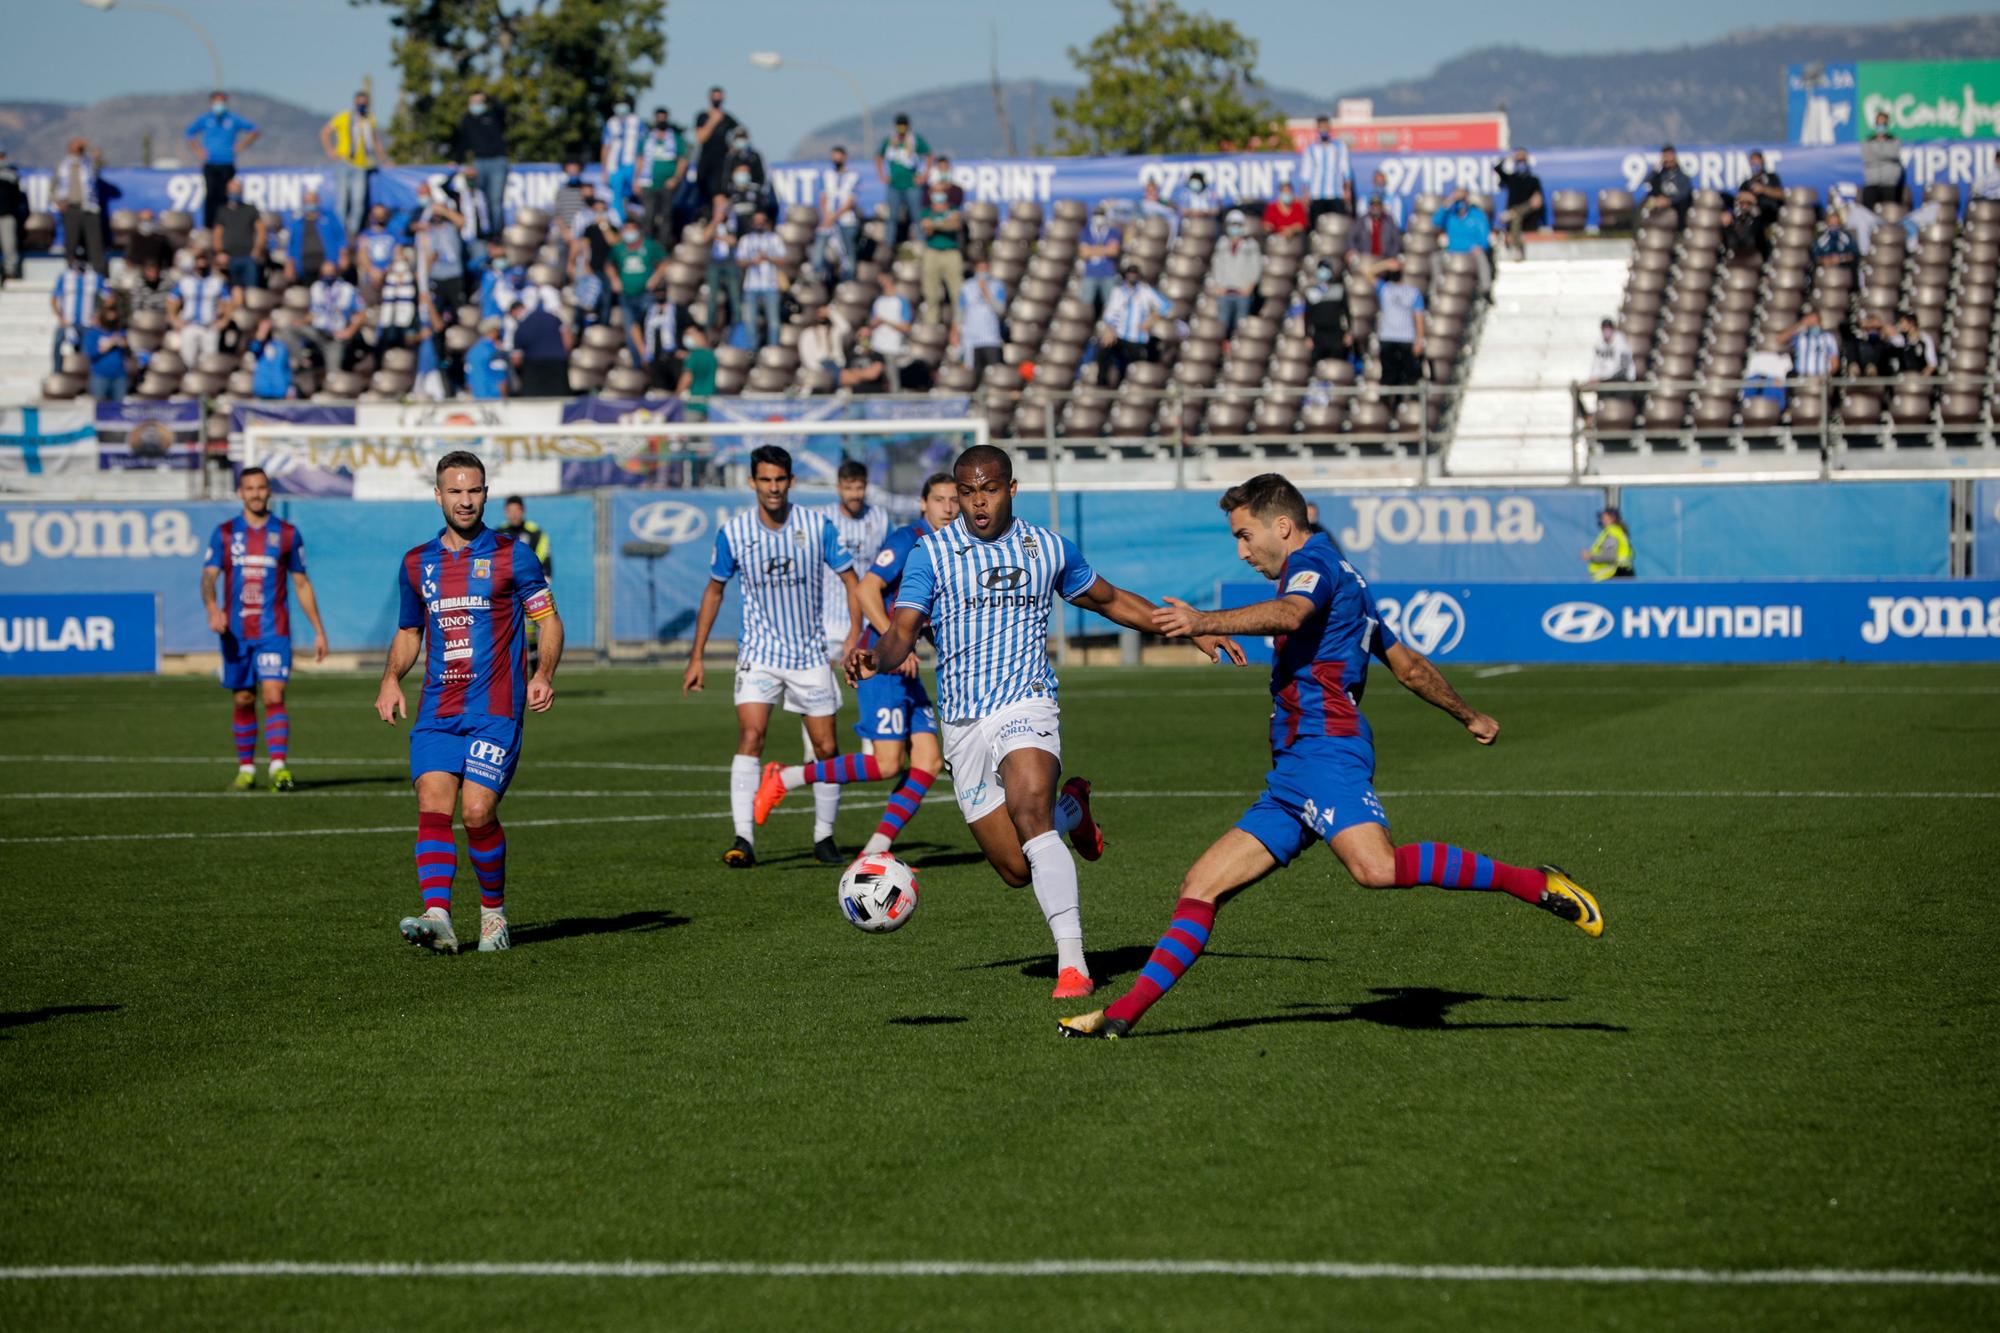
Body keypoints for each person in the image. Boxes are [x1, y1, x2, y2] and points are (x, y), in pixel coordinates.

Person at [1057, 473, 1602, 1039]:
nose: (1242, 551)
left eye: (1245, 536)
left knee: (1376, 868)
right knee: (1201, 885)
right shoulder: (1347, 579)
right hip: (1294, 770)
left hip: (1326, 748)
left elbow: (1291, 613)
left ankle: (1535, 884)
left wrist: (1202, 620)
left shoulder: (1313, 565)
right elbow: (1409, 667)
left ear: (1283, 526)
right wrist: (1469, 715)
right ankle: (1121, 1015)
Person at [853, 445, 1246, 1000]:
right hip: (963, 721)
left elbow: (1109, 600)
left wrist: (1190, 626)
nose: (978, 502)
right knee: (1016, 869)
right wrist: (876, 658)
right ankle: (1073, 810)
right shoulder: (931, 553)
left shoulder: (1047, 548)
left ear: (1012, 489)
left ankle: (1073, 964)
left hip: (1027, 702)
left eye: (989, 489)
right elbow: (901, 631)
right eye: (967, 492)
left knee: (1030, 811)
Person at [378, 451, 562, 955]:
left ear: (486, 493)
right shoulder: (416, 562)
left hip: (495, 711)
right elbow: (409, 631)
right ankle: (438, 916)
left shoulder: (513, 555)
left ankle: (492, 914)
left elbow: (548, 620)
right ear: (438, 495)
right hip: (438, 711)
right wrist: (390, 679)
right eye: (455, 491)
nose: (465, 500)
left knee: (477, 812)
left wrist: (543, 674)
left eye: (474, 490)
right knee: (432, 804)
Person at [756, 471, 960, 855]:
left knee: (929, 761)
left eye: (954, 500)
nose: (948, 508)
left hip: (905, 666)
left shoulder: (953, 546)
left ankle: (873, 853)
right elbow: (866, 589)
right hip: (880, 662)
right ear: (923, 503)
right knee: (886, 764)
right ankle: (787, 776)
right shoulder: (909, 540)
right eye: (939, 499)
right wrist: (897, 644)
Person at [683, 445, 865, 869]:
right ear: (752, 482)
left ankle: (824, 836)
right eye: (765, 480)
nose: (773, 488)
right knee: (751, 736)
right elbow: (714, 591)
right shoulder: (734, 532)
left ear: (791, 481)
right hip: (759, 653)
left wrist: (854, 636)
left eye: (780, 479)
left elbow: (852, 581)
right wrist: (697, 656)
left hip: (809, 654)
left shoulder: (816, 527)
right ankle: (743, 838)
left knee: (826, 747)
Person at [202, 467, 329, 793]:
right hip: (236, 633)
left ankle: (278, 768)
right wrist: (213, 609)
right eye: (250, 488)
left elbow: (301, 583)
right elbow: (209, 577)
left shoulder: (286, 533)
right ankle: (246, 769)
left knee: (274, 694)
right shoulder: (225, 533)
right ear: (240, 493)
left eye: (261, 487)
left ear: (269, 491)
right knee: (244, 698)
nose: (256, 493)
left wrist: (318, 630)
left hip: (274, 632)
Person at [814, 458, 890, 671]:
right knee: (820, 682)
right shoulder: (822, 519)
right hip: (828, 619)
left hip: (868, 618)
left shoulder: (879, 518)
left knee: (868, 678)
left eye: (859, 488)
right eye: (849, 488)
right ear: (839, 488)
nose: (854, 494)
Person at [185, 91, 259, 231]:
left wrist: (242, 145)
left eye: (222, 102)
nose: (219, 105)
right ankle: (209, 227)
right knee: (211, 195)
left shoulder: (232, 119)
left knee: (225, 196)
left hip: (227, 163)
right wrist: (198, 150)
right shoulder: (206, 119)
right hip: (211, 163)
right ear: (211, 103)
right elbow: (189, 134)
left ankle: (225, 226)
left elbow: (255, 130)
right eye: (216, 102)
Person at [320, 89, 389, 237]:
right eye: (359, 103)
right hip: (344, 162)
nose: (361, 106)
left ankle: (351, 234)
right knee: (342, 202)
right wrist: (330, 151)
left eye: (364, 103)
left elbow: (376, 142)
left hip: (361, 165)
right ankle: (339, 234)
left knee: (358, 203)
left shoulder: (369, 120)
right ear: (354, 103)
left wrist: (384, 160)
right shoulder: (344, 117)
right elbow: (325, 132)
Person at [1096, 262, 1168, 389]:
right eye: (1130, 274)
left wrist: (1151, 319)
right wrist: (1109, 329)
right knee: (1103, 348)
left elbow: (1166, 305)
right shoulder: (1118, 292)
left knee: (1128, 360)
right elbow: (1110, 314)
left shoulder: (1145, 291)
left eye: (1135, 274)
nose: (1132, 277)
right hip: (1119, 336)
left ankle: (1121, 385)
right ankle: (1102, 384)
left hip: (1137, 339)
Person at [454, 89, 508, 236]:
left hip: (498, 161)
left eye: (479, 101)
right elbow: (462, 142)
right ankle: (484, 232)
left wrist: (488, 97)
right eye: (473, 101)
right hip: (479, 162)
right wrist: (457, 160)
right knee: (480, 199)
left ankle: (496, 234)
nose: (476, 105)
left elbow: (502, 109)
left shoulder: (493, 115)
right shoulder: (467, 119)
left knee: (495, 200)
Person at [877, 113, 932, 252]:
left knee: (917, 215)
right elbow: (878, 156)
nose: (901, 128)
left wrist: (924, 175)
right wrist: (882, 175)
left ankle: (921, 245)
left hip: (912, 186)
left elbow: (930, 155)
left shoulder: (915, 140)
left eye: (903, 126)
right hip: (894, 186)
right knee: (892, 217)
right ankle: (889, 246)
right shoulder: (890, 141)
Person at [54, 139, 107, 277]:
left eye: (79, 150)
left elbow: (99, 156)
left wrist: (87, 145)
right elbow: (54, 186)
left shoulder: (89, 165)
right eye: (73, 149)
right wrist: (58, 201)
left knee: (95, 243)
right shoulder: (63, 166)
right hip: (71, 209)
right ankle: (71, 272)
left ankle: (99, 274)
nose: (76, 152)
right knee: (71, 243)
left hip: (90, 208)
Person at [1206, 211, 1264, 338]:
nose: (1235, 228)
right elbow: (1216, 265)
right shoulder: (1221, 243)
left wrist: (1250, 285)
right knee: (1222, 327)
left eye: (1238, 225)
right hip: (1224, 291)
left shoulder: (1251, 245)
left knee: (1241, 328)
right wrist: (1218, 285)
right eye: (1232, 224)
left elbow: (1256, 267)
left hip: (1242, 292)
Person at [638, 110, 690, 250]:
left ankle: (663, 247)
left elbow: (683, 160)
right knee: (648, 215)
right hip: (648, 183)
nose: (661, 120)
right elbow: (640, 159)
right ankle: (647, 246)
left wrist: (676, 178)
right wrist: (636, 179)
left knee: (666, 216)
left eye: (663, 118)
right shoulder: (647, 138)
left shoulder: (676, 138)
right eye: (659, 118)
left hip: (668, 184)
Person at [609, 218, 667, 342]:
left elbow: (665, 262)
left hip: (646, 295)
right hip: (626, 296)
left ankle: (649, 353)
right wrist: (614, 279)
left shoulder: (649, 245)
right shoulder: (618, 248)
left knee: (648, 329)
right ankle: (636, 354)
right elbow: (609, 265)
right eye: (626, 229)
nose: (629, 232)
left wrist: (655, 278)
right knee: (630, 332)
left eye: (632, 229)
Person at [169, 251, 232, 366]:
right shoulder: (184, 282)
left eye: (204, 265)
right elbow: (172, 300)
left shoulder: (217, 282)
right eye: (199, 265)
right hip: (189, 325)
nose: (201, 268)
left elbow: (228, 301)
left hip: (209, 326)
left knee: (210, 361)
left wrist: (225, 320)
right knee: (188, 361)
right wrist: (174, 319)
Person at [303, 256, 364, 373]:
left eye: (331, 273)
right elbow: (313, 313)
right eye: (325, 273)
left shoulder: (347, 289)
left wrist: (349, 331)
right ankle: (302, 361)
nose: (328, 277)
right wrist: (300, 322)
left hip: (336, 336)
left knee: (333, 374)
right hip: (318, 332)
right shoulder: (316, 287)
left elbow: (362, 313)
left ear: (337, 272)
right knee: (288, 330)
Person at [735, 211, 785, 348]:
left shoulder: (775, 239)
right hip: (751, 286)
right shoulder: (745, 240)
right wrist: (752, 261)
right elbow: (739, 262)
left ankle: (773, 348)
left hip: (771, 285)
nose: (759, 224)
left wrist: (767, 257)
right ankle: (752, 349)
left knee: (773, 321)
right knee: (750, 321)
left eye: (762, 221)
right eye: (756, 221)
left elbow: (782, 260)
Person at [917, 182, 964, 326]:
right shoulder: (926, 211)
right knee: (931, 293)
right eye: (936, 191)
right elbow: (927, 228)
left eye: (941, 191)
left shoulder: (953, 209)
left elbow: (955, 225)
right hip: (932, 252)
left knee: (957, 292)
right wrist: (944, 223)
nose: (939, 195)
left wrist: (936, 224)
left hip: (951, 252)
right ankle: (931, 325)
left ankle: (960, 325)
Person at [49, 255, 105, 373]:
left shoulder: (95, 277)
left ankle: (85, 374)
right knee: (58, 343)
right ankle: (57, 371)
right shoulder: (65, 277)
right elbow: (54, 298)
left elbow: (109, 298)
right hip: (68, 321)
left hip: (87, 322)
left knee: (86, 349)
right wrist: (60, 316)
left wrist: (98, 316)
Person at [953, 254, 1007, 376]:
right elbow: (960, 312)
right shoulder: (966, 287)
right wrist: (955, 332)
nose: (982, 272)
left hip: (991, 338)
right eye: (980, 269)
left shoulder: (997, 285)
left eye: (984, 269)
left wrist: (987, 293)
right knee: (973, 375)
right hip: (971, 340)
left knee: (994, 374)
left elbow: (1001, 310)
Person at [1374, 260, 1425, 388]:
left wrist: (1419, 340)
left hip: (1407, 338)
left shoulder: (1413, 292)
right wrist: (1386, 264)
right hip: (1387, 337)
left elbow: (1419, 317)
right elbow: (1367, 273)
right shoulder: (1385, 288)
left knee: (1408, 377)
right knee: (1388, 377)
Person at [695, 195, 739, 340]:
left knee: (734, 298)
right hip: (714, 263)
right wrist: (715, 221)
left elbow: (734, 240)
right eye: (716, 204)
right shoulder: (711, 218)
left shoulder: (734, 220)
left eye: (722, 203)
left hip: (731, 263)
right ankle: (710, 331)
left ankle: (736, 332)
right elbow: (704, 237)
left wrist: (719, 237)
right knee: (712, 298)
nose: (719, 206)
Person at [1431, 188, 1493, 293]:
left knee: (1482, 258)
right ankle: (1436, 288)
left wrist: (1481, 246)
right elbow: (1436, 221)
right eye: (1457, 200)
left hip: (1471, 252)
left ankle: (1485, 290)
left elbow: (1484, 236)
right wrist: (1449, 202)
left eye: (1462, 200)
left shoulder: (1477, 215)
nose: (1460, 204)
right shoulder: (1450, 215)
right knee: (1435, 258)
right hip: (1452, 251)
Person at [815, 145, 861, 281]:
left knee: (848, 255)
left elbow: (851, 201)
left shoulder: (853, 176)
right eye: (833, 157)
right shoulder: (827, 175)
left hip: (846, 221)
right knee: (818, 252)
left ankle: (848, 280)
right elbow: (823, 197)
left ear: (844, 157)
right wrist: (826, 216)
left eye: (838, 156)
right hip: (827, 221)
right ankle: (821, 278)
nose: (835, 159)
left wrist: (834, 216)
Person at [211, 176, 266, 292]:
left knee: (251, 291)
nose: (235, 194)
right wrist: (220, 252)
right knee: (232, 291)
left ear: (242, 192)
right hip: (229, 258)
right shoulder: (222, 211)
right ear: (227, 193)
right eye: (232, 191)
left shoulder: (250, 209)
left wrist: (257, 250)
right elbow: (217, 234)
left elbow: (261, 231)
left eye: (237, 191)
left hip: (248, 257)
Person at [1295, 116, 1354, 223]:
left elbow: (1345, 170)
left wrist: (1347, 190)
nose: (1323, 130)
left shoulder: (1339, 147)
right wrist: (1305, 195)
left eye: (1325, 127)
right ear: (1317, 129)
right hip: (1316, 194)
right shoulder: (1311, 149)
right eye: (1321, 127)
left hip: (1336, 194)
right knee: (1317, 225)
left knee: (1337, 224)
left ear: (1329, 128)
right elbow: (1306, 173)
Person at [510, 298, 571, 397]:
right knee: (559, 399)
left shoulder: (521, 328)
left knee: (537, 401)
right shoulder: (552, 318)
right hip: (558, 363)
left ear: (514, 311)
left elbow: (516, 360)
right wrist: (565, 354)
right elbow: (567, 338)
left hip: (534, 368)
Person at [283, 189, 346, 284]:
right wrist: (289, 265)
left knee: (328, 274)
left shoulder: (329, 218)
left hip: (327, 264)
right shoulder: (297, 224)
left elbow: (341, 239)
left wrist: (342, 257)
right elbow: (291, 248)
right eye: (307, 202)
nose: (309, 205)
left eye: (312, 201)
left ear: (318, 202)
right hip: (304, 266)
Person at [1297, 258, 1350, 366]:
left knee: (1335, 363)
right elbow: (1307, 316)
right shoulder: (1311, 292)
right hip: (1319, 334)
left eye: (1326, 269)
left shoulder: (1339, 290)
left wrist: (1348, 332)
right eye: (1321, 269)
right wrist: (1307, 336)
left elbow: (1346, 312)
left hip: (1336, 334)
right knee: (1318, 365)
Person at [1493, 149, 1544, 262]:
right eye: (1518, 161)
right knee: (1515, 216)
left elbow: (1538, 202)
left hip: (1529, 218)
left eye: (1523, 161)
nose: (1521, 164)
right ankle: (1518, 249)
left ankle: (1517, 248)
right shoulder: (1512, 179)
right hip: (1513, 222)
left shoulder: (1533, 180)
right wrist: (1508, 158)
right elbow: (1496, 168)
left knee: (1516, 213)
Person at [693, 86, 739, 204]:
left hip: (722, 162)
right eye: (715, 97)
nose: (717, 100)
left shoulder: (728, 119)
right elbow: (700, 138)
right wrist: (713, 121)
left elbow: (742, 134)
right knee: (703, 189)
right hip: (706, 160)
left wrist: (734, 148)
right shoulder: (702, 116)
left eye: (720, 97)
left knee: (719, 193)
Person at [600, 99, 643, 224]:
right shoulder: (611, 123)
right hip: (614, 166)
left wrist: (639, 172)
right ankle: (619, 223)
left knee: (635, 195)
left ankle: (636, 224)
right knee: (616, 198)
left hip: (632, 164)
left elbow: (643, 147)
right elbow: (606, 146)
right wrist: (604, 169)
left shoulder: (637, 122)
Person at [1077, 203, 1122, 317]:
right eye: (1096, 215)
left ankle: (1108, 326)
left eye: (1101, 215)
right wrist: (1105, 249)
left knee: (1111, 305)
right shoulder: (1086, 232)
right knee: (1086, 304)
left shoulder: (1113, 232)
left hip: (1108, 274)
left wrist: (1092, 249)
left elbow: (1114, 251)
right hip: (1090, 274)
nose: (1099, 218)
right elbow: (1084, 253)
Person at [81, 296, 130, 400]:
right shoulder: (93, 334)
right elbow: (91, 353)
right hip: (100, 376)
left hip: (119, 377)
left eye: (113, 312)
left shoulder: (120, 332)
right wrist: (109, 343)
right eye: (108, 312)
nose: (111, 316)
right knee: (100, 407)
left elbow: (128, 351)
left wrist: (123, 343)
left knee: (118, 408)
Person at [1347, 193, 1403, 273]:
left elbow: (1397, 240)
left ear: (1382, 207)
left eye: (1378, 205)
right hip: (1365, 258)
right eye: (1373, 205)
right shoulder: (1362, 221)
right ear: (1369, 206)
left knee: (1395, 265)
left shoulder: (1389, 221)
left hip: (1384, 259)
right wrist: (1353, 250)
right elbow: (1351, 237)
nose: (1375, 208)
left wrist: (1392, 255)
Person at [1639, 145, 1694, 224]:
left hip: (1676, 205)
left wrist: (1669, 201)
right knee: (1645, 204)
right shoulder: (1659, 175)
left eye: (1669, 156)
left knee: (1684, 204)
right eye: (1664, 157)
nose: (1667, 159)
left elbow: (1684, 193)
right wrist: (1657, 168)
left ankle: (1682, 229)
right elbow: (1646, 182)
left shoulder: (1682, 176)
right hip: (1659, 203)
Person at [1860, 112, 1904, 210]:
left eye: (1883, 124)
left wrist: (1876, 152)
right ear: (1875, 124)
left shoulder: (1894, 140)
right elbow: (1867, 157)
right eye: (1878, 124)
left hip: (1889, 183)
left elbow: (1894, 154)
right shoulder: (1868, 141)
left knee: (1888, 211)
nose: (1881, 127)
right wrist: (1886, 155)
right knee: (1869, 211)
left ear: (1887, 125)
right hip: (1872, 182)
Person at [246, 315, 292, 399]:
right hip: (262, 389)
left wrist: (289, 387)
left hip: (279, 390)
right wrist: (260, 337)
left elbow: (286, 368)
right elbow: (254, 348)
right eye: (262, 328)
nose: (266, 330)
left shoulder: (280, 347)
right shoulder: (257, 345)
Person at [1583, 505, 1634, 580]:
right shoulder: (1617, 531)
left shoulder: (1612, 533)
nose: (1601, 519)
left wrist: (1590, 556)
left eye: (1603, 517)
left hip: (1615, 576)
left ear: (1612, 518)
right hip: (1621, 575)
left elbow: (1609, 556)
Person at [676, 325, 717, 418]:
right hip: (709, 405)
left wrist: (677, 395)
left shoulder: (693, 357)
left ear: (701, 335)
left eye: (690, 334)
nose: (687, 337)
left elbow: (687, 378)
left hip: (693, 404)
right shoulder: (712, 356)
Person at [0, 143, 25, 281]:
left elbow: (16, 196)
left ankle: (10, 272)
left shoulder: (11, 174)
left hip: (6, 215)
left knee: (9, 245)